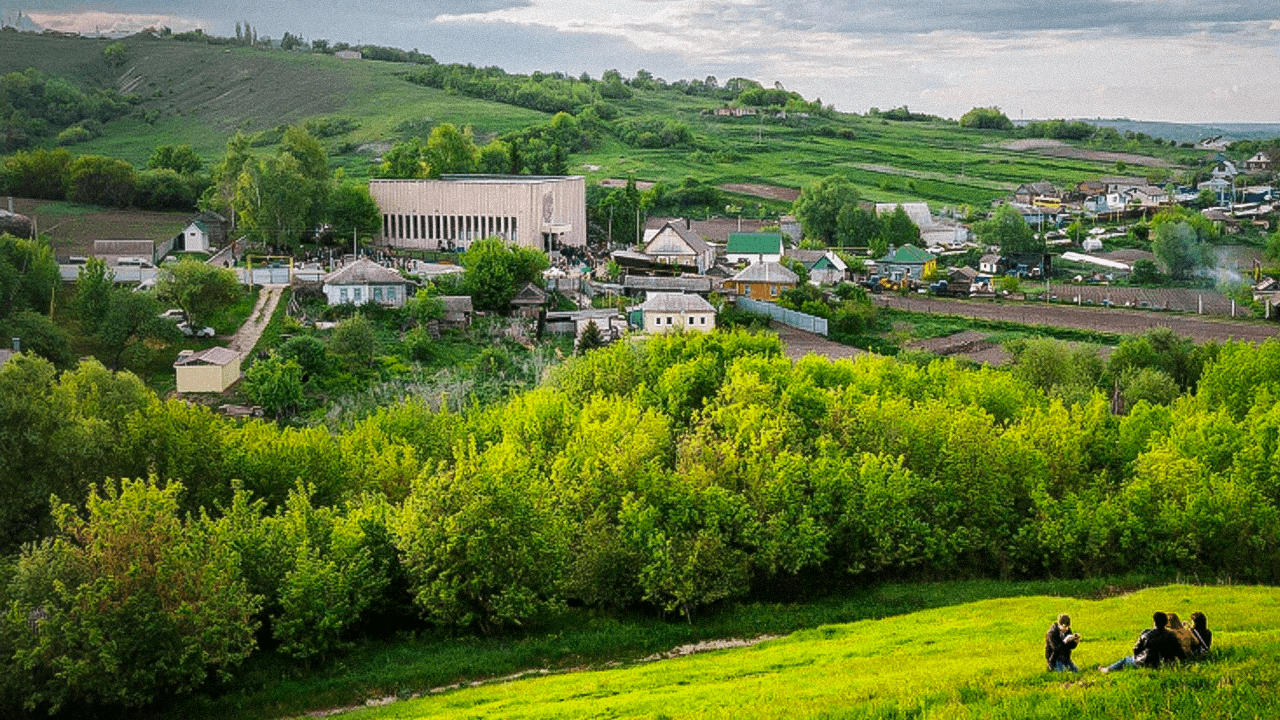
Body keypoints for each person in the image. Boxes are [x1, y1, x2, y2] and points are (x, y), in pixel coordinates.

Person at [1099, 611, 1187, 673]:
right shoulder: (1172, 635)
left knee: (1126, 659)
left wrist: (1139, 657)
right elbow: (1180, 652)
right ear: (1166, 622)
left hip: (1147, 662)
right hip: (1166, 662)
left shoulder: (1146, 634)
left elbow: (1136, 649)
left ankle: (1108, 670)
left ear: (1154, 622)